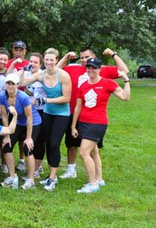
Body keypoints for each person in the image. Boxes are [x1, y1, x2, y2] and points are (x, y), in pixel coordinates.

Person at [58, 47, 129, 179]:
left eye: (86, 57)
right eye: (82, 57)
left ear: (94, 57)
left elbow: (125, 70)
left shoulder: (100, 69)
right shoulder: (74, 68)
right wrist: (66, 56)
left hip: (93, 117)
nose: (84, 60)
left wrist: (113, 54)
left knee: (91, 148)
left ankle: (97, 177)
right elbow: (55, 70)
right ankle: (71, 170)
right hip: (74, 112)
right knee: (71, 143)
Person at [71, 57, 130, 193]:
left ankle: (92, 184)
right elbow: (77, 108)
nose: (90, 70)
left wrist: (126, 80)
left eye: (94, 68)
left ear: (99, 69)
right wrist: (73, 126)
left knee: (84, 152)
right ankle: (99, 179)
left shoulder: (108, 83)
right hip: (83, 122)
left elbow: (125, 97)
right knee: (93, 151)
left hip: (98, 123)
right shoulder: (83, 85)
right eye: (88, 67)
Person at [20, 48, 71, 191]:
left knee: (54, 144)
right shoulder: (41, 75)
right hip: (48, 113)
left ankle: (53, 178)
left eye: (51, 60)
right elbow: (21, 83)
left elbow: (66, 98)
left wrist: (45, 100)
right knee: (48, 144)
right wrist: (24, 70)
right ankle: (50, 176)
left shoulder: (64, 76)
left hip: (62, 114)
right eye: (47, 60)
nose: (49, 62)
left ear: (56, 60)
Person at [0, 73, 42, 190]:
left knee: (27, 148)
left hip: (33, 122)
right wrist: (7, 135)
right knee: (7, 146)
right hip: (17, 122)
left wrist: (28, 138)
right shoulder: (2, 96)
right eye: (8, 83)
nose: (10, 86)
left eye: (13, 83)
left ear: (17, 85)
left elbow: (29, 118)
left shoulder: (23, 97)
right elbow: (4, 116)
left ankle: (31, 179)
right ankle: (12, 176)